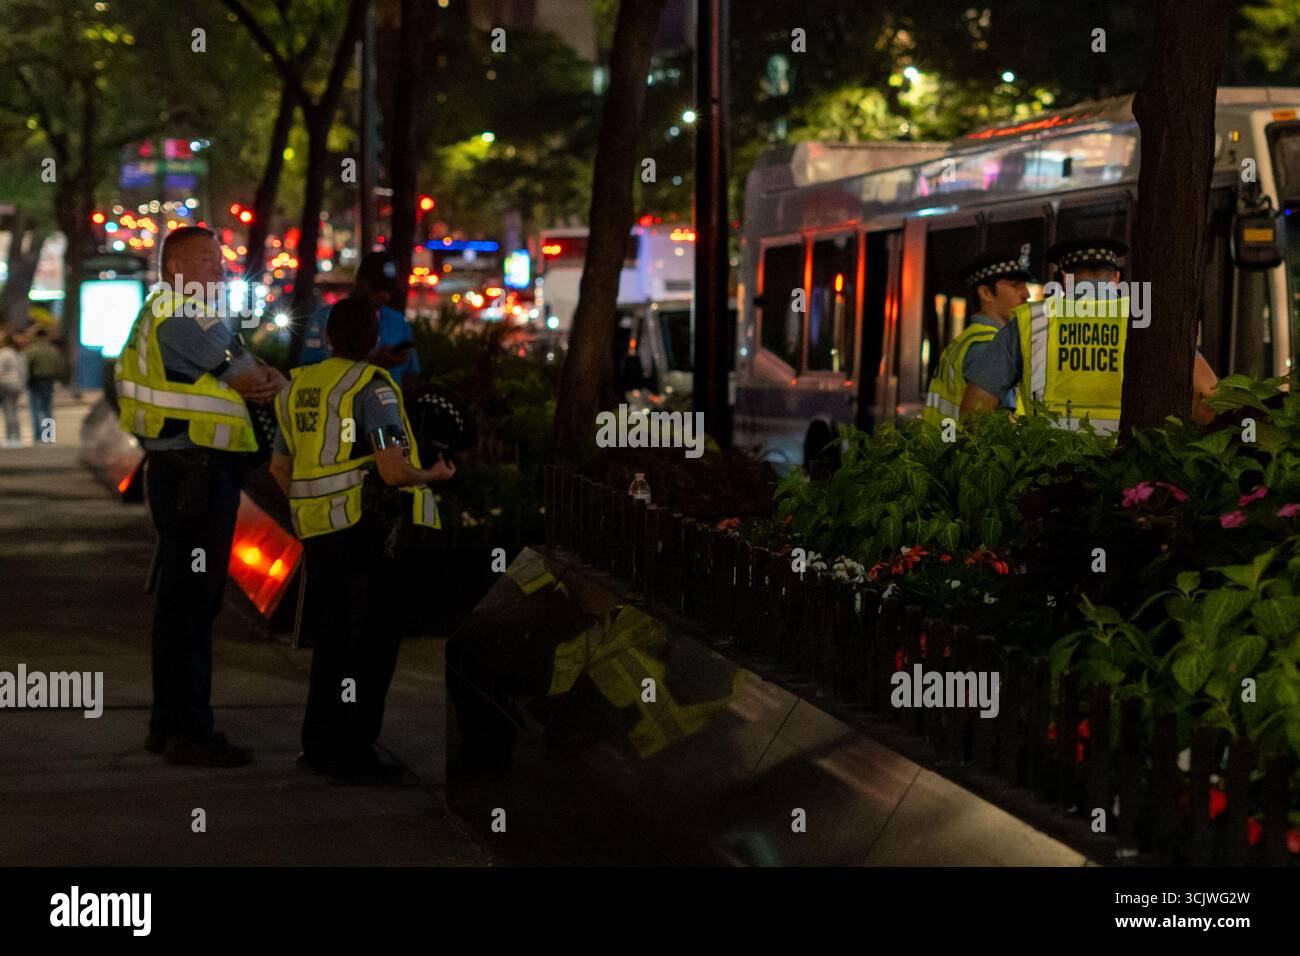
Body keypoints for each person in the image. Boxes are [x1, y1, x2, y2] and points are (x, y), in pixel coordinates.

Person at [115, 226, 287, 767]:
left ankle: (169, 726)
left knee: (180, 605)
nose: (220, 268)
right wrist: (267, 379)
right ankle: (190, 733)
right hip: (195, 477)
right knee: (192, 604)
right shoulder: (182, 315)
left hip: (187, 474)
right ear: (177, 269)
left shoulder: (178, 314)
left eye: (220, 258)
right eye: (208, 260)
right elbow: (247, 378)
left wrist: (261, 376)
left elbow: (249, 373)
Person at [269, 296, 452, 782]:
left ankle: (319, 744)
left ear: (327, 338)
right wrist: (432, 473)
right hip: (365, 530)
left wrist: (308, 506)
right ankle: (352, 752)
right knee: (369, 645)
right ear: (373, 339)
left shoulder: (297, 386)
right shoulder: (373, 387)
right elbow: (392, 470)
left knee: (330, 640)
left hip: (318, 532)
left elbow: (279, 467)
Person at [960, 237, 1219, 430]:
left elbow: (975, 410)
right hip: (1131, 475)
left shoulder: (1031, 321)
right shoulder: (1148, 320)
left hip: (1047, 475)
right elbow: (1209, 399)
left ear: (1064, 278)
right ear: (1115, 278)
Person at [923, 248, 1032, 424]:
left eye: (1025, 284)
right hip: (967, 449)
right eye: (1015, 284)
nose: (1026, 293)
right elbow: (991, 425)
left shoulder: (966, 339)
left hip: (948, 446)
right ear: (985, 293)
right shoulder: (989, 345)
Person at [299, 251, 421, 393]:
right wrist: (371, 363)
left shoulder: (398, 321)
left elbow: (411, 375)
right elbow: (308, 372)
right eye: (378, 288)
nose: (384, 295)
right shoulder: (326, 318)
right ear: (360, 282)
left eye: (389, 289)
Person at [23, 324, 67, 444]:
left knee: (35, 410)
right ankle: (48, 436)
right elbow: (60, 367)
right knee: (48, 410)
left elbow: (26, 367)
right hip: (49, 381)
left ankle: (38, 435)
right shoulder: (53, 350)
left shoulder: (32, 350)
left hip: (35, 381)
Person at [0, 330, 27, 447]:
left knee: (8, 411)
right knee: (15, 411)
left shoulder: (4, 353)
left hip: (6, 384)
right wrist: (22, 384)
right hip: (17, 385)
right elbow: (24, 372)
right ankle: (17, 437)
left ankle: (10, 439)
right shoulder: (19, 353)